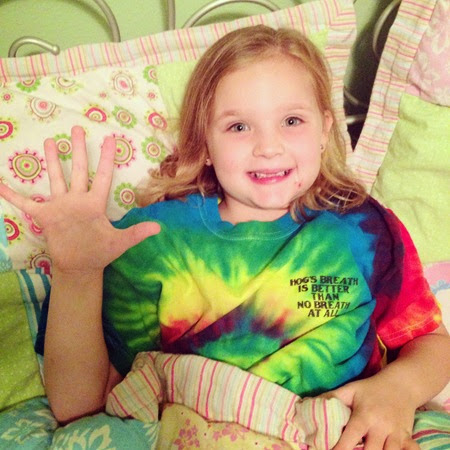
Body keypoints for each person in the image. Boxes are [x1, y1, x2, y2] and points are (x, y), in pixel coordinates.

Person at [0, 25, 449, 450]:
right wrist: (77, 273)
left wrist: (398, 390)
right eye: (238, 127)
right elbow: (79, 405)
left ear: (324, 129)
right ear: (205, 145)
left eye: (292, 120)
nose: (268, 146)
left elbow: (433, 345)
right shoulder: (152, 240)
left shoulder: (365, 230)